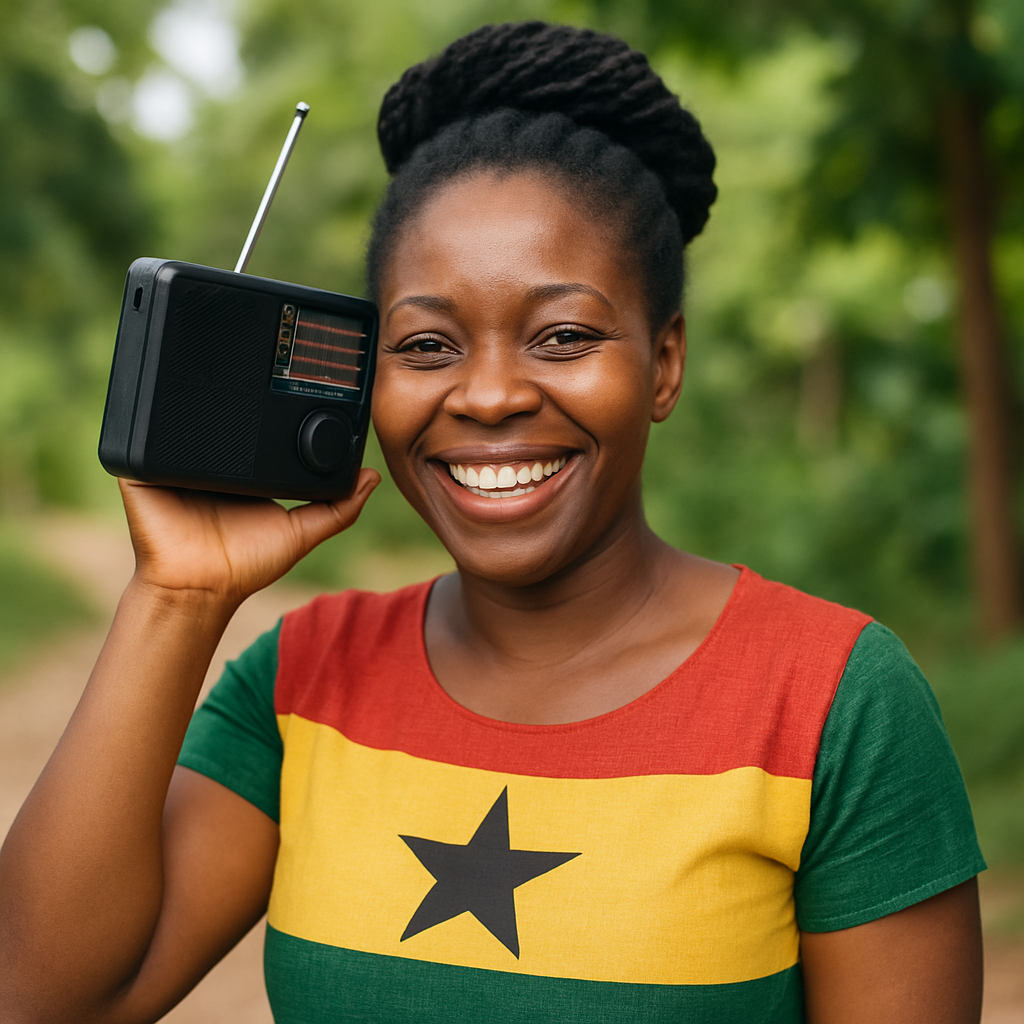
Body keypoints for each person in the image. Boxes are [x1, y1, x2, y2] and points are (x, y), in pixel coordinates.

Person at [0, 21, 985, 1024]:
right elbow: (44, 999)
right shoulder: (302, 681)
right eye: (426, 343)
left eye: (562, 335)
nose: (488, 394)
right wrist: (177, 595)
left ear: (665, 363)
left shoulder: (832, 702)